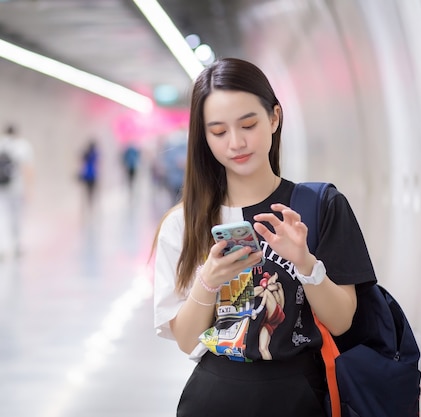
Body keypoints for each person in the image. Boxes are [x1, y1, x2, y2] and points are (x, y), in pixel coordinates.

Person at [151, 58, 376, 416]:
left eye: (248, 124)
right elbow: (185, 340)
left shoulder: (320, 206)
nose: (236, 142)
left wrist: (305, 262)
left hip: (298, 395)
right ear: (204, 138)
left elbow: (341, 320)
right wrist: (208, 281)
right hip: (212, 397)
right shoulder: (183, 224)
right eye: (219, 132)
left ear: (274, 117)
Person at [0, 124, 34, 260]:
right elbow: (27, 169)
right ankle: (17, 245)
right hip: (16, 188)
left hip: (0, 188)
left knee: (0, 216)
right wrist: (29, 189)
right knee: (16, 217)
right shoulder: (22, 146)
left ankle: (0, 248)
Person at [79, 139, 99, 205]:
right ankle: (90, 203)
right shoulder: (93, 154)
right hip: (91, 175)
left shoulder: (88, 154)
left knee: (89, 191)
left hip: (88, 175)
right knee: (91, 191)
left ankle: (90, 202)